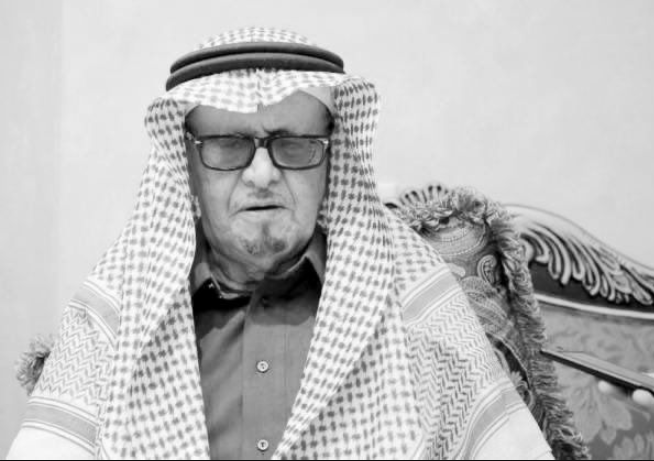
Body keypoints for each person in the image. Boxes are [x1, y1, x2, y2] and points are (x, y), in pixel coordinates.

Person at [8, 28, 584, 460]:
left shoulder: (412, 298)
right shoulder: (118, 312)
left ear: (331, 159)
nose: (261, 174)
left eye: (293, 144)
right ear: (187, 164)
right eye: (228, 144)